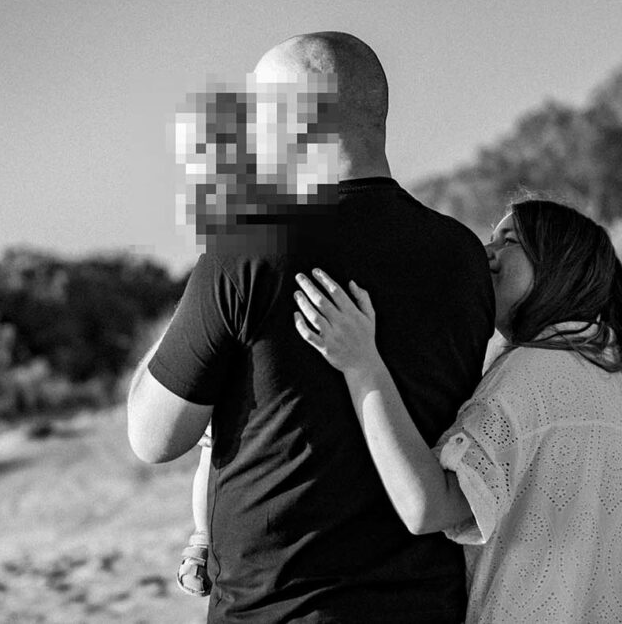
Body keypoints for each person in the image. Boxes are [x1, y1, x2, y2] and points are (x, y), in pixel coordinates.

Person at [126, 32, 495, 622]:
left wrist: (197, 292)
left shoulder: (247, 252)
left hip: (277, 608)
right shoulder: (465, 257)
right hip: (424, 603)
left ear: (299, 119)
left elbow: (152, 437)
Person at [292, 198, 622, 623]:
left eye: (510, 241)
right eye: (490, 239)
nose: (486, 252)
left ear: (558, 264)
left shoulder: (530, 374)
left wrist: (362, 364)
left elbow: (427, 506)